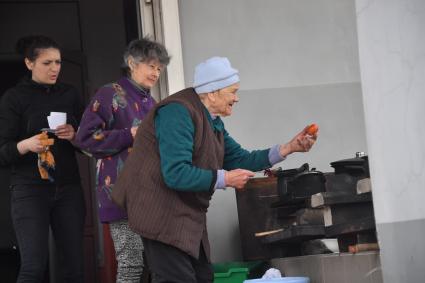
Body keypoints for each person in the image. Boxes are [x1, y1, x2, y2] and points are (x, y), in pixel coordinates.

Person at [111, 56, 318, 283]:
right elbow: (176, 173)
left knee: (203, 278)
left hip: (186, 215)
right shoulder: (177, 113)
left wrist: (288, 148)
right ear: (212, 93)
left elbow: (240, 158)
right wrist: (225, 179)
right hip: (159, 212)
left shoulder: (212, 120)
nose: (236, 98)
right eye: (232, 91)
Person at [75, 37, 170, 282]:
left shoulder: (153, 103)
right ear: (131, 63)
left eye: (159, 68)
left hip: (151, 195)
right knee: (131, 264)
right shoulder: (109, 94)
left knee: (156, 265)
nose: (156, 72)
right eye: (151, 66)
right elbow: (84, 139)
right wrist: (130, 134)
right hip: (120, 193)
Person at [0, 35, 85, 282]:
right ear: (29, 63)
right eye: (47, 63)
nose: (55, 68)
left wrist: (74, 135)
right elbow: (2, 151)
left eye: (58, 62)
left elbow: (90, 142)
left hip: (68, 188)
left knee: (74, 267)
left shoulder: (70, 94)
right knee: (33, 267)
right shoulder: (13, 98)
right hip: (29, 189)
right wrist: (25, 145)